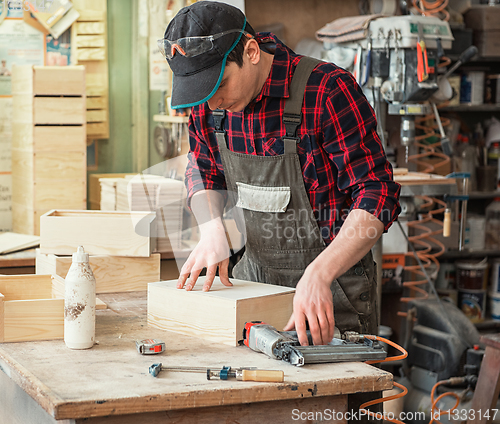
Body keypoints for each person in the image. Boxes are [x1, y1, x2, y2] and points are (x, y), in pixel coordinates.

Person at [159, 1, 401, 347]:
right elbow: (202, 167)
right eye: (202, 93)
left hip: (333, 294)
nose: (212, 102)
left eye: (220, 85)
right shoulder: (209, 104)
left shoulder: (326, 91)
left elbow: (377, 194)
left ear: (252, 52)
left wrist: (319, 273)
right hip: (252, 288)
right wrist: (211, 227)